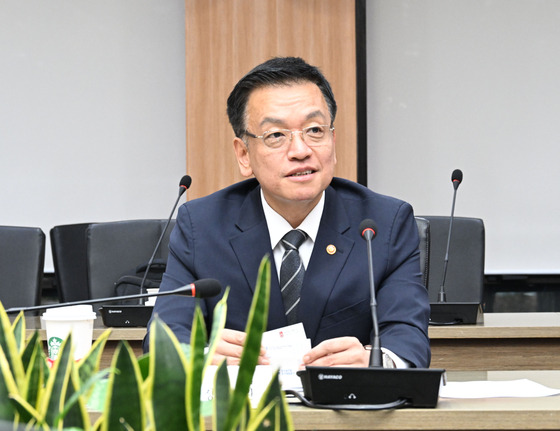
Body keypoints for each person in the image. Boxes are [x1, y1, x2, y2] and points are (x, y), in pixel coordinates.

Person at [144, 57, 430, 368]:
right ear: (244, 155)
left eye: (314, 130)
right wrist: (198, 358)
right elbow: (164, 339)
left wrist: (377, 363)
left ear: (333, 141)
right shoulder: (201, 226)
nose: (300, 150)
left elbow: (408, 339)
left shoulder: (383, 224)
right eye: (276, 135)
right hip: (241, 412)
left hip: (345, 410)